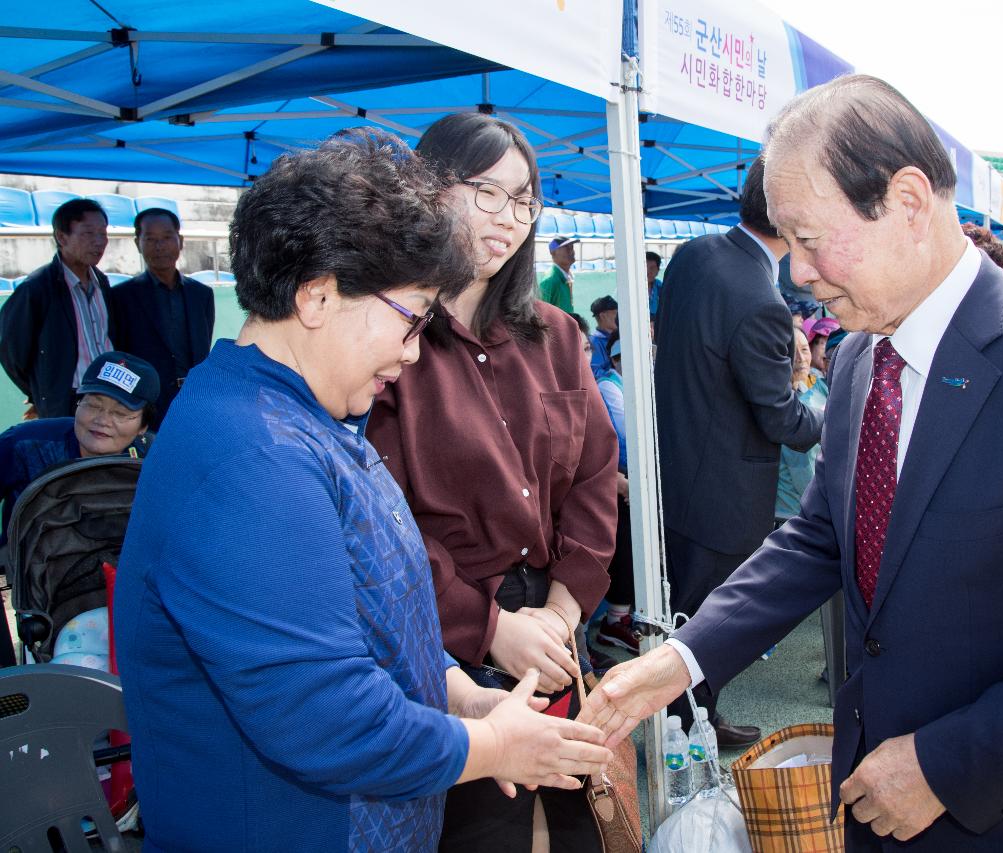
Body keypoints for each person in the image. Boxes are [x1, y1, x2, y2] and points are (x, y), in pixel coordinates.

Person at [583, 74, 1003, 853]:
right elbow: (822, 537)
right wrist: (684, 655)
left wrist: (944, 766)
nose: (797, 272)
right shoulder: (857, 359)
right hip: (875, 801)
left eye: (810, 238)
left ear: (908, 202)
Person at [113, 129, 610, 852]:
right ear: (317, 295)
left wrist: (456, 688)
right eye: (409, 322)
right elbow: (328, 715)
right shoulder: (253, 458)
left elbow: (368, 610)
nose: (411, 354)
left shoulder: (297, 416)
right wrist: (491, 745)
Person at [366, 112, 617, 853]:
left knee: (579, 824)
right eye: (486, 192)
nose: (507, 218)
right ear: (429, 190)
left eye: (524, 199)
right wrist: (492, 627)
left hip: (559, 632)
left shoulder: (555, 334)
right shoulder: (391, 338)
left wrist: (564, 610)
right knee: (481, 833)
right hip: (444, 649)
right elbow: (384, 524)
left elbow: (597, 476)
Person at [652, 156, 824, 747]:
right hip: (723, 489)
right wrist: (832, 410)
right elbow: (783, 418)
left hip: (673, 467)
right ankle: (689, 726)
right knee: (708, 621)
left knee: (684, 608)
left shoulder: (695, 255)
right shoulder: (762, 301)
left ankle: (686, 719)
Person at [0, 350, 158, 668]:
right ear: (77, 403)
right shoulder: (25, 445)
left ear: (143, 426)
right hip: (45, 597)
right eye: (93, 404)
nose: (102, 419)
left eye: (121, 412)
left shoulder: (157, 458)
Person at [0, 198, 115, 418]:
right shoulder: (37, 289)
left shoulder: (103, 283)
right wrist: (43, 391)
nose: (99, 241)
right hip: (68, 401)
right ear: (62, 237)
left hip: (108, 395)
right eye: (89, 233)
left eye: (103, 233)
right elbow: (12, 352)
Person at [111, 207, 216, 425]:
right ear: (137, 243)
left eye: (167, 237)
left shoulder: (202, 294)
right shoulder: (121, 297)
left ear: (180, 240)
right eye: (150, 239)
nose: (160, 247)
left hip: (194, 400)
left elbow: (203, 347)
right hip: (146, 405)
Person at [594, 335, 640, 655]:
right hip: (614, 479)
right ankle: (615, 620)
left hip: (629, 477)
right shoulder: (609, 386)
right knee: (626, 539)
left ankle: (625, 615)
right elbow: (627, 435)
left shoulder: (641, 385)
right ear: (616, 359)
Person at [775, 326, 829, 522]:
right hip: (791, 515)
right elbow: (803, 474)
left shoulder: (818, 389)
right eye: (792, 351)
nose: (800, 358)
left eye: (804, 350)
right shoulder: (782, 405)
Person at [539, 235, 577, 313]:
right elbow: (541, 314)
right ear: (553, 253)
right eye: (567, 248)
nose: (571, 251)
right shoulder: (550, 280)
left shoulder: (566, 277)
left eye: (572, 247)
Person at [588, 294, 618, 379]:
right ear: (603, 316)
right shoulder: (593, 342)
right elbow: (595, 372)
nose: (619, 317)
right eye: (615, 313)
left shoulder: (617, 337)